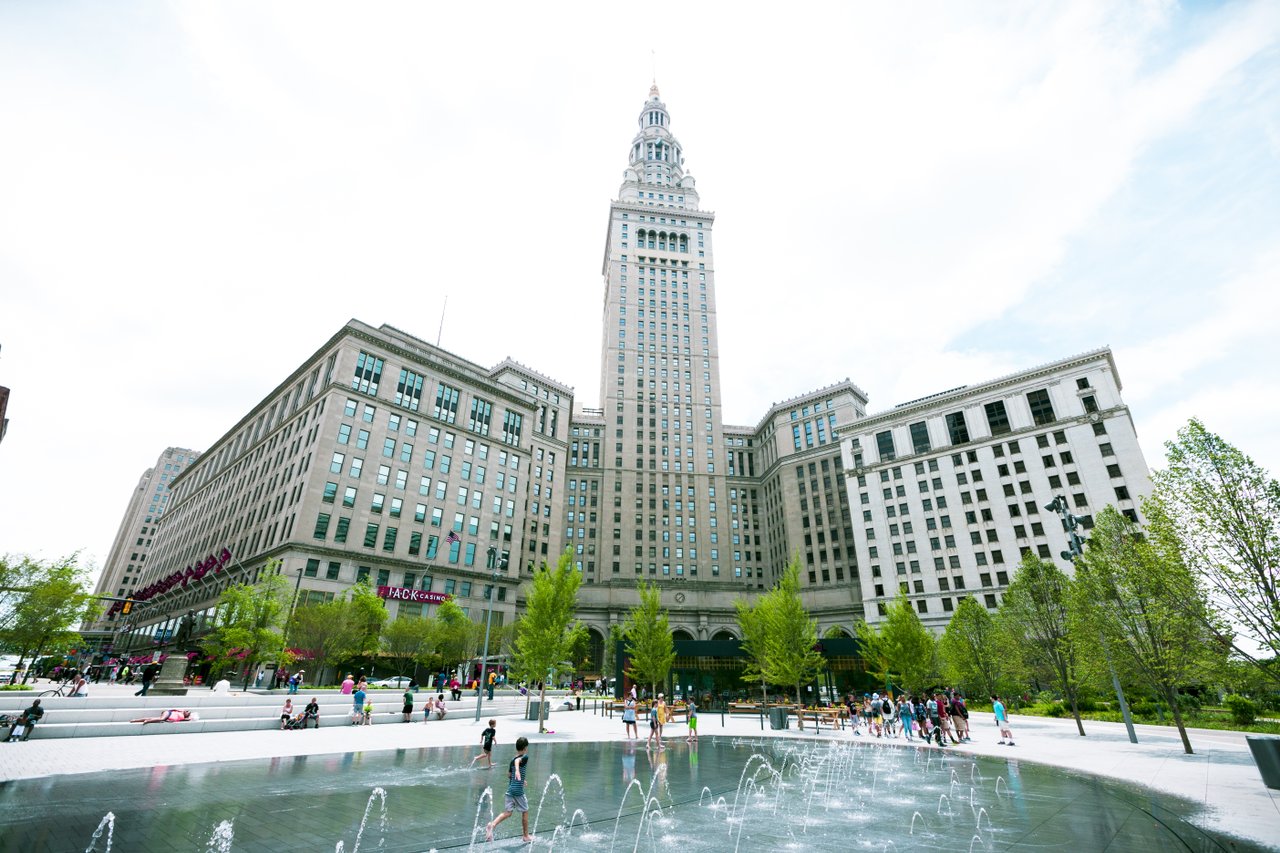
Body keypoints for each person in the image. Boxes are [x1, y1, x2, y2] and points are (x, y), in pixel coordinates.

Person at [485, 736, 532, 843]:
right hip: (518, 792)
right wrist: (518, 772)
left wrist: (521, 779)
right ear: (525, 748)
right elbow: (518, 763)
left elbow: (508, 775)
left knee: (508, 812)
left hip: (510, 791)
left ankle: (492, 825)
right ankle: (526, 836)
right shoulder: (524, 757)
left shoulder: (512, 760)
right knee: (525, 811)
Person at [131, 709, 196, 725]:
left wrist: (190, 718)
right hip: (168, 713)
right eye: (187, 711)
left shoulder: (183, 718)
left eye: (188, 713)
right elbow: (173, 710)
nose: (187, 712)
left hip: (168, 717)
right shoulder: (181, 711)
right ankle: (148, 721)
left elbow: (187, 719)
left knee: (155, 718)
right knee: (161, 719)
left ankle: (135, 720)